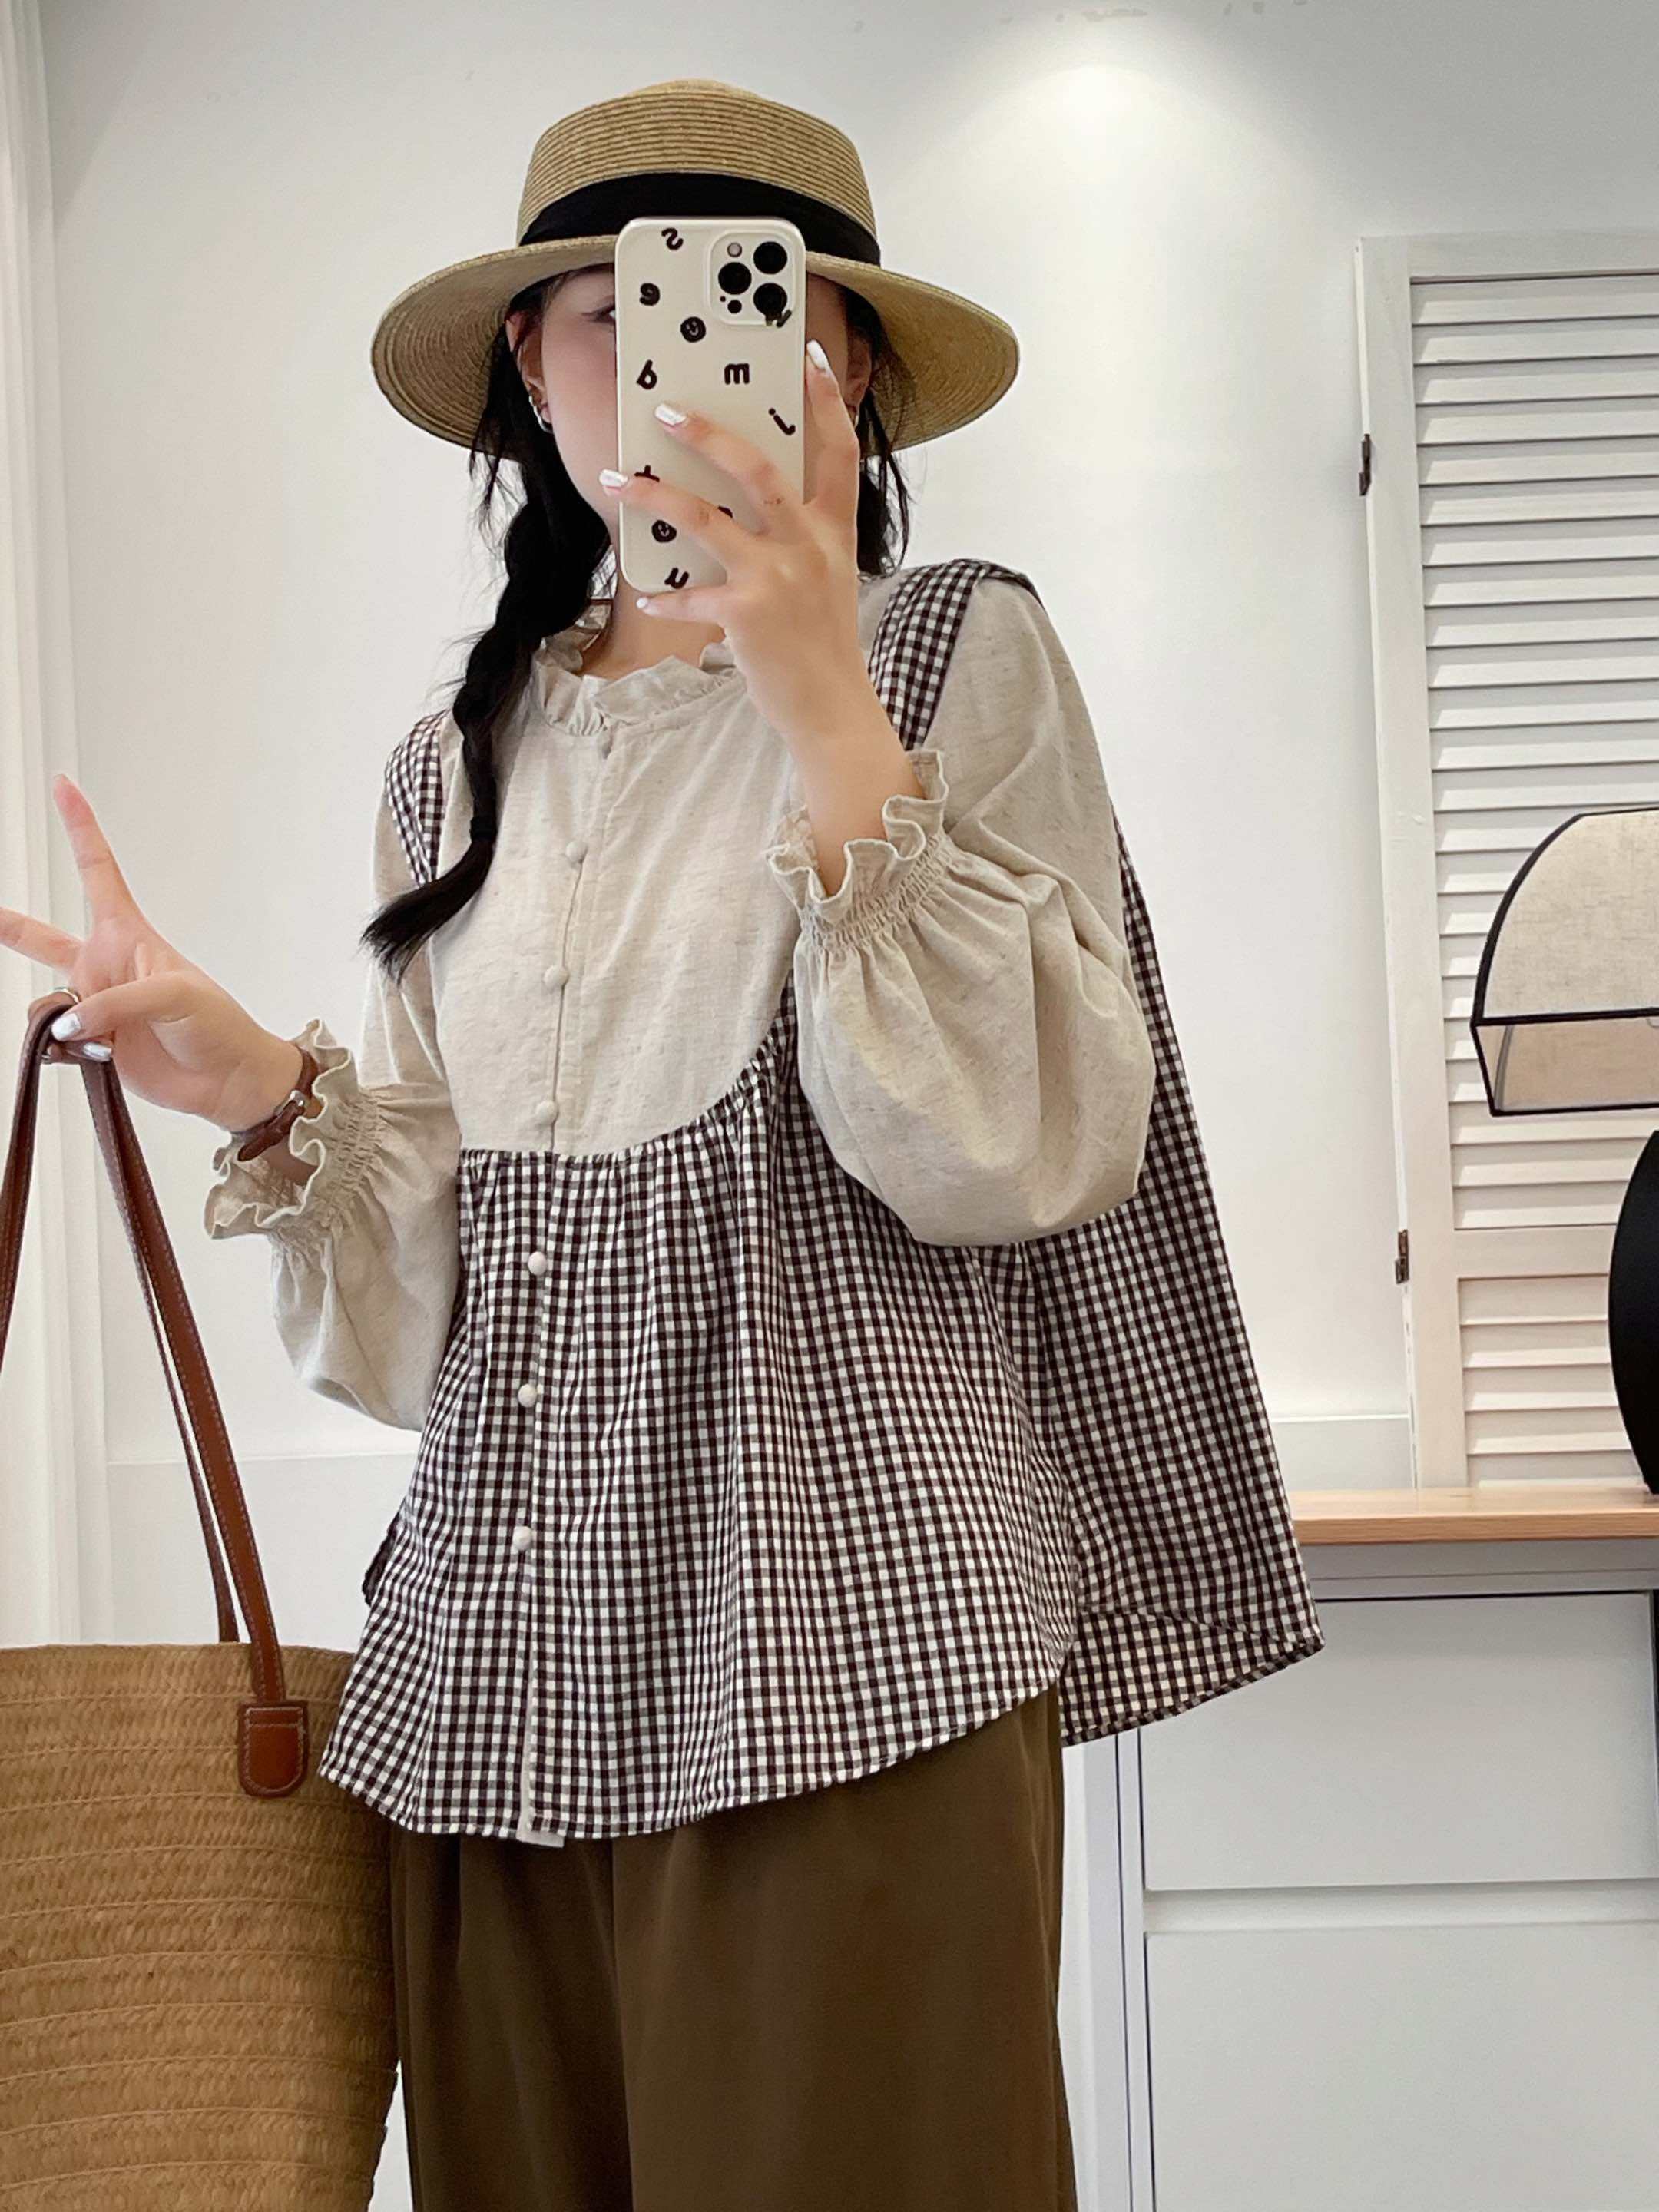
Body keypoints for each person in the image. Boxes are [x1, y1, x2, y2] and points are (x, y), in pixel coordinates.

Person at [2, 75, 1322, 2212]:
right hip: (502, 1669)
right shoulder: (454, 762)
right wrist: (255, 1084)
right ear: (529, 373)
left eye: (737, 306)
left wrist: (818, 700)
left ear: (847, 366)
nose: (666, 358)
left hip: (857, 1647)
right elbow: (439, 1336)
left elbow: (1012, 1152)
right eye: (607, 314)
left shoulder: (952, 652)